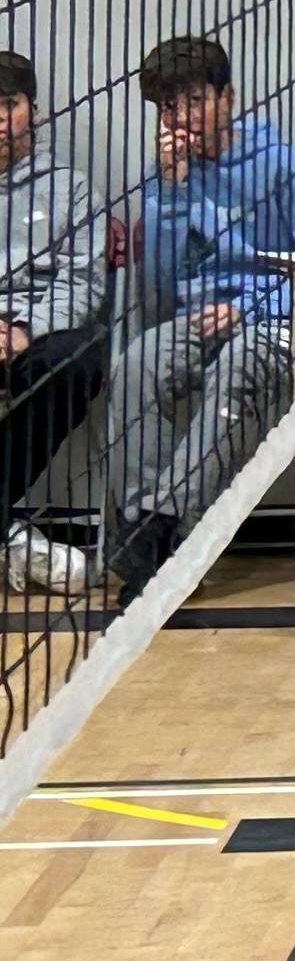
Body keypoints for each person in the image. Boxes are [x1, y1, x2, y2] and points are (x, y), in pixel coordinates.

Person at [99, 37, 295, 599]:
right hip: (196, 322)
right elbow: (159, 294)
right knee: (137, 365)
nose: (180, 118)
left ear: (226, 98)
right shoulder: (164, 177)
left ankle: (163, 532)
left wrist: (248, 307)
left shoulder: (280, 165)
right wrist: (171, 194)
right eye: (167, 107)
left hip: (283, 321)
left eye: (192, 101)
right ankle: (150, 536)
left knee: (241, 360)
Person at [0, 49, 109, 594]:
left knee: (78, 358)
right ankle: (10, 536)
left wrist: (22, 328)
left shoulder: (70, 187)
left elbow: (84, 285)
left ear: (33, 110)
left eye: (9, 104)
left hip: (40, 334)